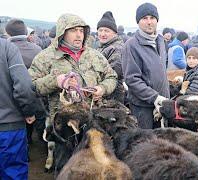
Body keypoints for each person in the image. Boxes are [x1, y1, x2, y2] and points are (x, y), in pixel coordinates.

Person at [28, 13, 117, 126]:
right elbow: (31, 86)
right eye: (73, 30)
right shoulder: (46, 56)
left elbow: (112, 77)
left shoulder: (95, 55)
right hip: (62, 125)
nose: (79, 35)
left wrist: (102, 88)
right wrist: (55, 81)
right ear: (62, 32)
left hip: (94, 121)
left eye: (81, 31)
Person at [122, 2, 170, 129]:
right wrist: (154, 97)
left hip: (161, 104)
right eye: (144, 18)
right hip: (143, 108)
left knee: (163, 143)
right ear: (138, 22)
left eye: (152, 18)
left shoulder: (161, 41)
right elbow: (132, 79)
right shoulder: (131, 45)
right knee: (146, 143)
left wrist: (163, 99)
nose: (149, 22)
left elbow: (162, 71)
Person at [0, 38, 39, 180]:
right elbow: (23, 86)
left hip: (7, 126)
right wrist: (29, 111)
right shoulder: (7, 48)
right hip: (8, 127)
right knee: (13, 172)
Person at [96, 11, 125, 103]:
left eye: (107, 31)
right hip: (100, 93)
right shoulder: (102, 47)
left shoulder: (117, 48)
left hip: (112, 97)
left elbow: (115, 73)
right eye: (100, 30)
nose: (103, 34)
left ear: (115, 33)